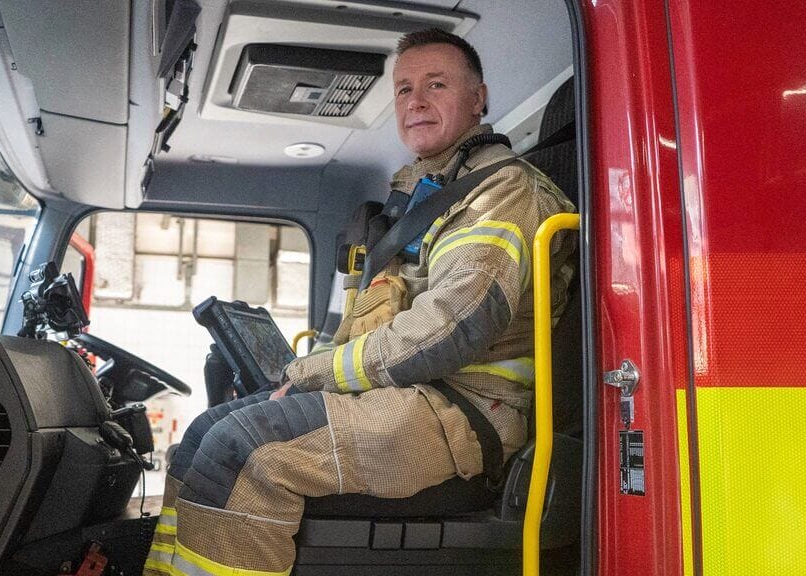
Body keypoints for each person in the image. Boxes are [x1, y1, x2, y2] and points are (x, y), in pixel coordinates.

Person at [143, 28, 576, 576]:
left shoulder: (505, 193)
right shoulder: (419, 197)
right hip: (410, 396)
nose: (416, 101)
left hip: (466, 413)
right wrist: (309, 371)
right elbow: (370, 327)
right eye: (403, 89)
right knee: (207, 430)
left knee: (248, 447)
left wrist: (311, 372)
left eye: (436, 84)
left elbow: (452, 327)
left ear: (478, 99)